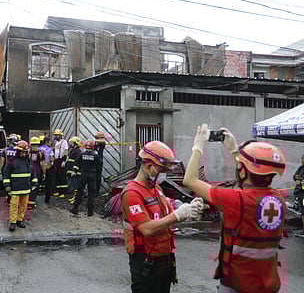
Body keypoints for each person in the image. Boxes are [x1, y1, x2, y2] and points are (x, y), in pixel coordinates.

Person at [183, 124, 287, 293]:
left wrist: (198, 147)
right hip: (268, 282)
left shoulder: (237, 200)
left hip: (238, 284)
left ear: (244, 171)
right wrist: (234, 150)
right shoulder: (278, 200)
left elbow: (190, 179)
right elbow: (249, 177)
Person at [121, 140, 203, 293]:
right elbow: (146, 229)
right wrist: (179, 215)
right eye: (161, 170)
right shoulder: (132, 193)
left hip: (163, 259)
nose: (163, 174)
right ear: (148, 166)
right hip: (146, 262)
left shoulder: (156, 188)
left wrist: (187, 206)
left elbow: (166, 208)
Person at [3, 140, 38, 231]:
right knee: (14, 206)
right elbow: (6, 174)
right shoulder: (12, 161)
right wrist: (7, 186)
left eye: (25, 152)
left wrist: (34, 181)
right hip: (15, 188)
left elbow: (33, 172)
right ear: (18, 152)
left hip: (26, 188)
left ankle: (20, 220)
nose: (23, 154)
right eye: (22, 152)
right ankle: (13, 222)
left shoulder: (29, 161)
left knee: (23, 205)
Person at [70, 140, 102, 216]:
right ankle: (90, 211)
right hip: (92, 175)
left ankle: (75, 208)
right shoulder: (95, 155)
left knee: (79, 191)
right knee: (91, 193)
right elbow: (100, 164)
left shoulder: (82, 154)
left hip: (83, 174)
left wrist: (74, 171)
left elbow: (77, 163)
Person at [28, 136, 45, 209]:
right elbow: (42, 164)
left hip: (28, 172)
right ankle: (31, 203)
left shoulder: (27, 152)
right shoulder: (40, 154)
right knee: (35, 187)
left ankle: (27, 202)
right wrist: (44, 173)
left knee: (28, 186)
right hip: (37, 172)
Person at [51, 129, 69, 198]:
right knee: (57, 175)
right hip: (56, 160)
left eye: (56, 135)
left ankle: (63, 192)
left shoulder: (64, 142)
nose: (55, 136)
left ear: (60, 135)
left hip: (61, 160)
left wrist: (64, 160)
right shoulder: (56, 143)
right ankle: (58, 191)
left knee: (62, 176)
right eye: (55, 135)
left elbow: (66, 151)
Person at [66, 136, 82, 205]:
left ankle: (76, 199)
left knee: (76, 186)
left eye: (72, 143)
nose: (70, 144)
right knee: (74, 185)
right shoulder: (72, 150)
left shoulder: (78, 151)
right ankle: (74, 197)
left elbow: (77, 162)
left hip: (75, 172)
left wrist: (74, 171)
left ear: (75, 143)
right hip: (71, 170)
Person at [40, 135, 55, 203]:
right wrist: (51, 164)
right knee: (48, 184)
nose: (50, 143)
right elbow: (52, 159)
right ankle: (47, 199)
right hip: (47, 168)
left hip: (39, 167)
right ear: (47, 142)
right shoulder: (50, 149)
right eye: (50, 141)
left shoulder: (39, 148)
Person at [292, 154, 304, 237]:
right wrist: (297, 178)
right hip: (299, 193)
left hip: (303, 194)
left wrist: (301, 182)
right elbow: (295, 177)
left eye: (303, 158)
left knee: (303, 212)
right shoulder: (300, 168)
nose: (302, 159)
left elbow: (300, 181)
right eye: (302, 158)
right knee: (302, 212)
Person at [94, 131, 106, 197]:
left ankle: (97, 191)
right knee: (93, 177)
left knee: (98, 177)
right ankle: (93, 191)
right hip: (94, 160)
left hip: (99, 161)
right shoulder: (96, 143)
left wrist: (97, 140)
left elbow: (102, 141)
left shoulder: (102, 143)